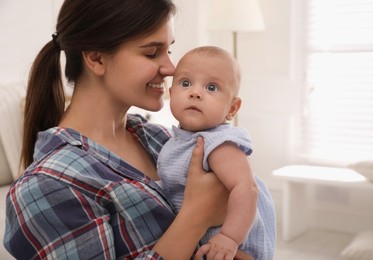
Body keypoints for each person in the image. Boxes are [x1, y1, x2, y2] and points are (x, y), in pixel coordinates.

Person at [2, 1, 256, 259]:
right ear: (96, 58)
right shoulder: (47, 186)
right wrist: (195, 215)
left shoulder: (161, 139)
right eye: (152, 53)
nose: (170, 68)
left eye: (169, 50)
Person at [157, 46, 276, 260]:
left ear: (232, 108)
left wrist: (230, 238)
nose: (195, 92)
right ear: (171, 92)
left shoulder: (218, 143)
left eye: (211, 87)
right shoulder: (178, 140)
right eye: (185, 83)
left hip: (230, 245)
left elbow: (246, 188)